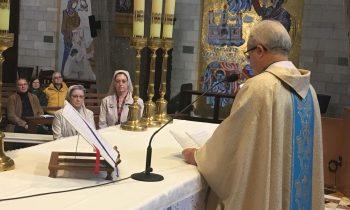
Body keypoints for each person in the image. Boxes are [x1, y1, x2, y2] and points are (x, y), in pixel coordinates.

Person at [182, 20, 324, 210]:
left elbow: (230, 149)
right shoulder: (309, 91)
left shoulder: (260, 88)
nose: (249, 61)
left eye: (249, 55)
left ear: (259, 50)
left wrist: (199, 156)